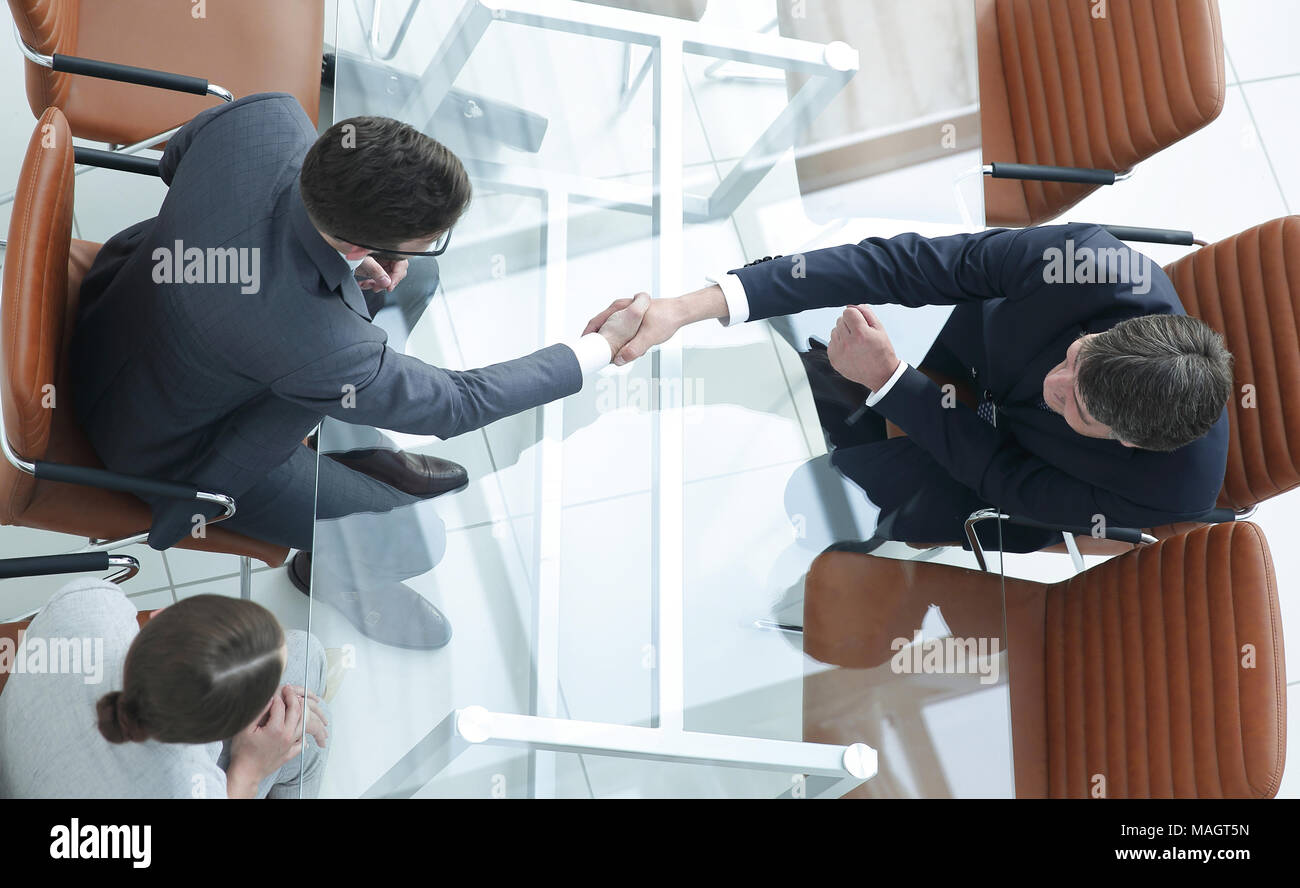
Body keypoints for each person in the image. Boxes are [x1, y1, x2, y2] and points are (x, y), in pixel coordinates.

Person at [70, 92, 649, 648]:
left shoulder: (268, 117)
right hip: (168, 449)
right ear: (353, 241)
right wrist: (598, 347)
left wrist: (328, 243)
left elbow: (175, 161)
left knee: (415, 277)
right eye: (432, 238)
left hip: (124, 300)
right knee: (414, 542)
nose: (433, 243)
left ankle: (347, 442)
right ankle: (324, 574)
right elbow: (456, 403)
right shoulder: (317, 341)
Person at [586, 223, 1233, 551]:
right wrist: (689, 307)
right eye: (1075, 357)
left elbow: (1004, 478)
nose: (1054, 382)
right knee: (795, 312)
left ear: (1125, 441)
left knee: (809, 500)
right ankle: (820, 372)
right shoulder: (1090, 264)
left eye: (1076, 404)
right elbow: (914, 265)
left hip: (995, 476)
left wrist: (892, 382)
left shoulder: (1170, 488)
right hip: (977, 356)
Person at [0, 579, 328, 799]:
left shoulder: (89, 601)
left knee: (304, 651)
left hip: (16, 753)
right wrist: (249, 769)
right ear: (216, 739)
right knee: (311, 735)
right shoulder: (189, 786)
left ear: (159, 616)